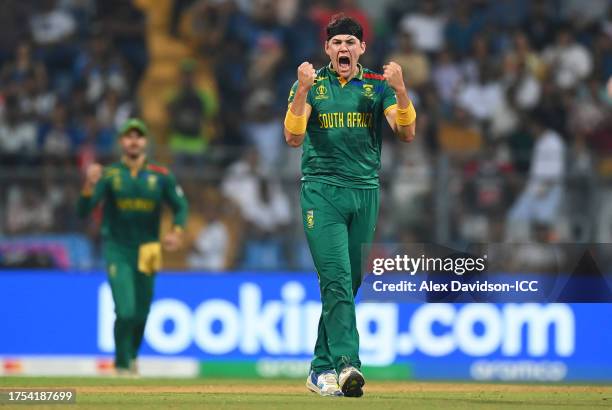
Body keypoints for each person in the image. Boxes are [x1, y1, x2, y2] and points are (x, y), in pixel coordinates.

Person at [283, 14, 416, 397]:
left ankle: (318, 369)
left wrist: (402, 90)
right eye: (337, 42)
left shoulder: (378, 85)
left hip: (365, 192)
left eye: (350, 43)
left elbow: (406, 132)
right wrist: (304, 91)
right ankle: (346, 365)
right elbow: (293, 138)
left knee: (350, 281)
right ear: (327, 48)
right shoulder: (310, 84)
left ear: (362, 49)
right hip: (321, 192)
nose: (344, 48)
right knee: (338, 278)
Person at [77, 118, 188, 375]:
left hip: (149, 249)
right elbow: (83, 210)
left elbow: (180, 206)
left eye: (138, 136)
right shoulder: (110, 175)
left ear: (145, 142)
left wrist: (177, 231)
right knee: (125, 310)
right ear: (121, 142)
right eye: (129, 136)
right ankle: (121, 363)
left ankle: (133, 357)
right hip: (118, 248)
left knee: (142, 310)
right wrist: (89, 184)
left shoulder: (161, 175)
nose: (134, 140)